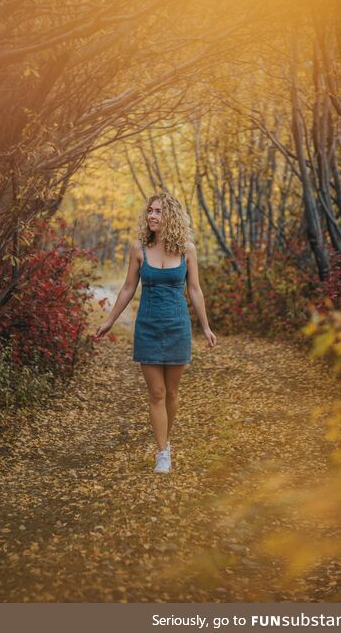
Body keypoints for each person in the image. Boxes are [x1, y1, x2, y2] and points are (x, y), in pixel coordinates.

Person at [95, 192, 217, 474]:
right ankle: (162, 453)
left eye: (159, 211)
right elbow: (127, 288)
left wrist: (206, 327)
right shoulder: (139, 248)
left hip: (178, 327)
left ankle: (167, 440)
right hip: (148, 327)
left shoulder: (187, 250)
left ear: (171, 216)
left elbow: (195, 290)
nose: (152, 215)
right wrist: (110, 321)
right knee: (157, 392)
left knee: (172, 393)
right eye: (150, 211)